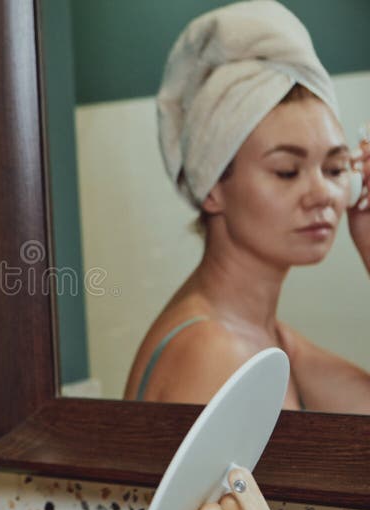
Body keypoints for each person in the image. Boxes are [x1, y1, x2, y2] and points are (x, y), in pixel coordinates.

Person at [124, 1, 370, 414]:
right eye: (287, 171)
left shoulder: (268, 338)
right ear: (211, 189)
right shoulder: (213, 353)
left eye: (334, 167)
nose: (322, 193)